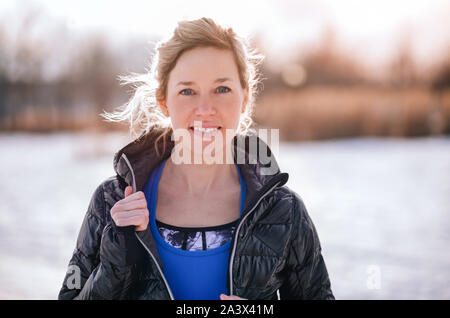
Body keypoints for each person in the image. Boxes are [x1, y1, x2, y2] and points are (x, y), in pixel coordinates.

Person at [58, 17, 334, 300]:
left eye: (222, 89)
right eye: (187, 91)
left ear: (245, 98)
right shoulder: (112, 202)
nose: (205, 109)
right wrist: (115, 261)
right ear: (164, 100)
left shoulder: (283, 211)